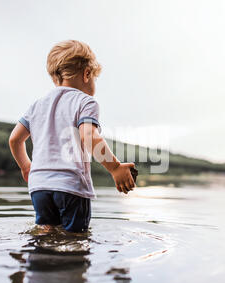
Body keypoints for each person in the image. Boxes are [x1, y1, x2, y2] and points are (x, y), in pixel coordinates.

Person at [9, 40, 135, 233]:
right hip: (71, 186)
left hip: (38, 186)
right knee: (76, 240)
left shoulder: (37, 105)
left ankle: (42, 258)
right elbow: (89, 136)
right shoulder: (86, 102)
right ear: (87, 74)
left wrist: (26, 166)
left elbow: (15, 139)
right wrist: (115, 167)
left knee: (46, 233)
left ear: (55, 77)